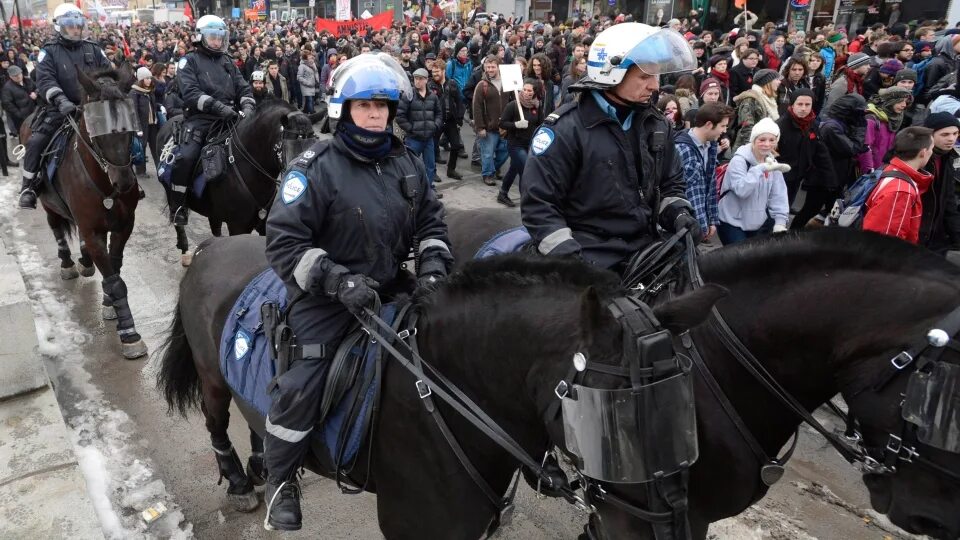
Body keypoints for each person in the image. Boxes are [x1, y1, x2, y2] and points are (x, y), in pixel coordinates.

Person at [262, 53, 452, 532]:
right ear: (343, 109)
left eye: (383, 106)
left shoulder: (407, 162)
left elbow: (432, 223)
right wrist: (337, 280)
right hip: (328, 298)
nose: (376, 115)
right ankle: (280, 479)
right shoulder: (314, 168)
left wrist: (431, 268)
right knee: (305, 376)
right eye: (365, 105)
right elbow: (285, 244)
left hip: (391, 285)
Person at [520, 22, 700, 271]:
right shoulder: (564, 130)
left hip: (645, 249)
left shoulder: (657, 125)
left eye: (657, 76)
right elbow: (539, 204)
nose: (655, 86)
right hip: (587, 254)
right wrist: (568, 259)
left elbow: (671, 184)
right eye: (645, 75)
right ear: (611, 72)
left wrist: (679, 213)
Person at [17, 3, 111, 209]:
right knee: (36, 142)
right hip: (61, 109)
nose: (76, 29)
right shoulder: (49, 52)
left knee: (123, 135)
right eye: (70, 26)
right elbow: (45, 80)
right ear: (60, 27)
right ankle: (29, 186)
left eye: (78, 25)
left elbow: (108, 73)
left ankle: (128, 179)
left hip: (94, 108)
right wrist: (61, 101)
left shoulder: (94, 48)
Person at [168, 15, 255, 225]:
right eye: (213, 37)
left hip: (231, 117)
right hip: (201, 119)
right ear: (201, 37)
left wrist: (248, 106)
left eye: (220, 37)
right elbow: (190, 92)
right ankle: (178, 205)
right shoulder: (188, 61)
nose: (217, 41)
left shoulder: (227, 61)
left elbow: (243, 87)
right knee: (186, 158)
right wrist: (217, 107)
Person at [792, 94, 868, 229]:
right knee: (810, 210)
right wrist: (861, 128)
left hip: (834, 177)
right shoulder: (831, 128)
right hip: (824, 178)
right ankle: (791, 235)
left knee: (831, 209)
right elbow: (852, 148)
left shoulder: (840, 124)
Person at [716, 117, 790, 244]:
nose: (767, 144)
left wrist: (780, 222)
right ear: (753, 140)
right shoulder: (739, 160)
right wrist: (760, 169)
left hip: (757, 224)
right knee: (739, 262)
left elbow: (778, 195)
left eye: (772, 140)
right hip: (731, 222)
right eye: (762, 139)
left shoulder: (773, 163)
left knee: (754, 263)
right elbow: (742, 190)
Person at [862, 126, 935, 243]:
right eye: (932, 148)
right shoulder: (901, 191)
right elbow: (885, 243)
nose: (932, 152)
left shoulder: (891, 169)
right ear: (923, 152)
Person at [675, 102, 735, 242]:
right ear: (709, 124)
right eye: (723, 126)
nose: (725, 130)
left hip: (699, 225)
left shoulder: (711, 146)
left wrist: (711, 220)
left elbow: (710, 187)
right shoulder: (681, 150)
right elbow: (684, 193)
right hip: (682, 229)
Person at [777, 90, 834, 208]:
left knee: (787, 206)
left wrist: (830, 178)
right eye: (800, 104)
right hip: (780, 176)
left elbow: (820, 151)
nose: (803, 108)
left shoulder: (811, 123)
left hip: (798, 175)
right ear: (792, 105)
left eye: (807, 105)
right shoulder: (780, 126)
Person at [397, 68, 443, 197]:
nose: (417, 81)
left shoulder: (433, 97)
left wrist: (435, 125)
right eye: (416, 78)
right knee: (411, 166)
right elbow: (400, 116)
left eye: (420, 78)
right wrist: (411, 129)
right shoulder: (408, 95)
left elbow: (439, 113)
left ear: (426, 80)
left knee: (430, 165)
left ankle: (429, 190)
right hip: (413, 139)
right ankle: (413, 190)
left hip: (428, 138)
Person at [918, 113, 960, 254]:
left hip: (934, 236)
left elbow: (948, 200)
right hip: (915, 236)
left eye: (955, 133)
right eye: (945, 134)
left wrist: (956, 236)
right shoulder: (917, 159)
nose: (951, 139)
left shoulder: (947, 157)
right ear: (930, 135)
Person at [497, 78, 541, 207]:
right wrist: (516, 124)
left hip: (530, 144)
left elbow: (540, 123)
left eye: (530, 90)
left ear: (534, 92)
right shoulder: (513, 105)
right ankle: (525, 199)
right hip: (515, 144)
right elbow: (502, 123)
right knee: (525, 168)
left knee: (514, 169)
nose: (527, 92)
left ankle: (502, 193)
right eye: (525, 89)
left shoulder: (537, 106)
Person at [473, 55, 509, 187]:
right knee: (487, 153)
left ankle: (493, 168)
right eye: (488, 67)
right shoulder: (482, 85)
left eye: (493, 67)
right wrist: (480, 127)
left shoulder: (507, 82)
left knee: (505, 151)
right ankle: (487, 174)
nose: (490, 69)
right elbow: (476, 107)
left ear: (499, 67)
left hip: (504, 126)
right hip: (489, 127)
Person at [859, 86, 912, 173]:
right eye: (900, 101)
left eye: (906, 102)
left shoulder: (895, 118)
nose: (904, 105)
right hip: (872, 172)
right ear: (890, 101)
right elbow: (865, 147)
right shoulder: (871, 119)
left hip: (885, 169)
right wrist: (869, 172)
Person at [732, 68, 781, 149]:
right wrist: (752, 150)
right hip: (750, 148)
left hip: (764, 145)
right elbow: (747, 128)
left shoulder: (769, 99)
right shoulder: (750, 99)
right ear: (767, 82)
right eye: (777, 79)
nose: (779, 82)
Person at [130, 66, 159, 176]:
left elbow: (152, 105)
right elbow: (133, 111)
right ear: (141, 79)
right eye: (146, 78)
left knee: (155, 146)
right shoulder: (134, 93)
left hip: (152, 123)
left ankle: (159, 167)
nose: (149, 80)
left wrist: (159, 108)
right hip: (141, 125)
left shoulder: (149, 91)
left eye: (150, 78)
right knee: (141, 147)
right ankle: (141, 171)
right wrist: (137, 127)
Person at [1, 65, 37, 136]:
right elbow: (8, 104)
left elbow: (37, 88)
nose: (18, 76)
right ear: (11, 76)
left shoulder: (28, 80)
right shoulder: (7, 88)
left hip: (34, 112)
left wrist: (36, 93)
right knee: (25, 136)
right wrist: (20, 114)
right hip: (22, 119)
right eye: (15, 75)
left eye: (19, 74)